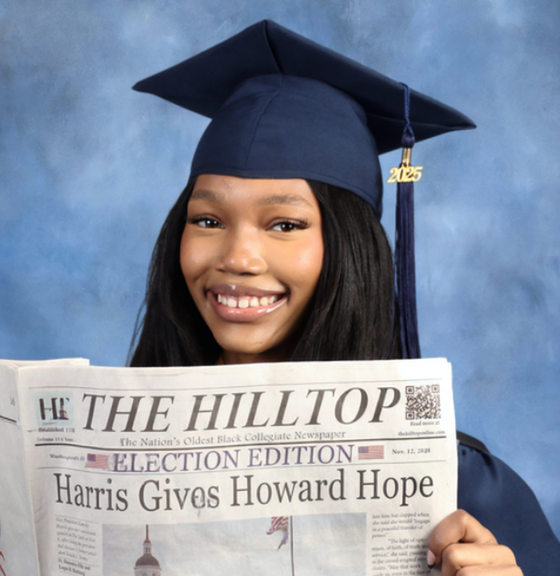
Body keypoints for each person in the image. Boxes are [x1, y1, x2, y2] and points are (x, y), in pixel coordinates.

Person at [129, 20, 560, 576]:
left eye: (284, 225)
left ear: (349, 250)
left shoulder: (463, 486)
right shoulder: (115, 455)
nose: (237, 257)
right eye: (208, 219)